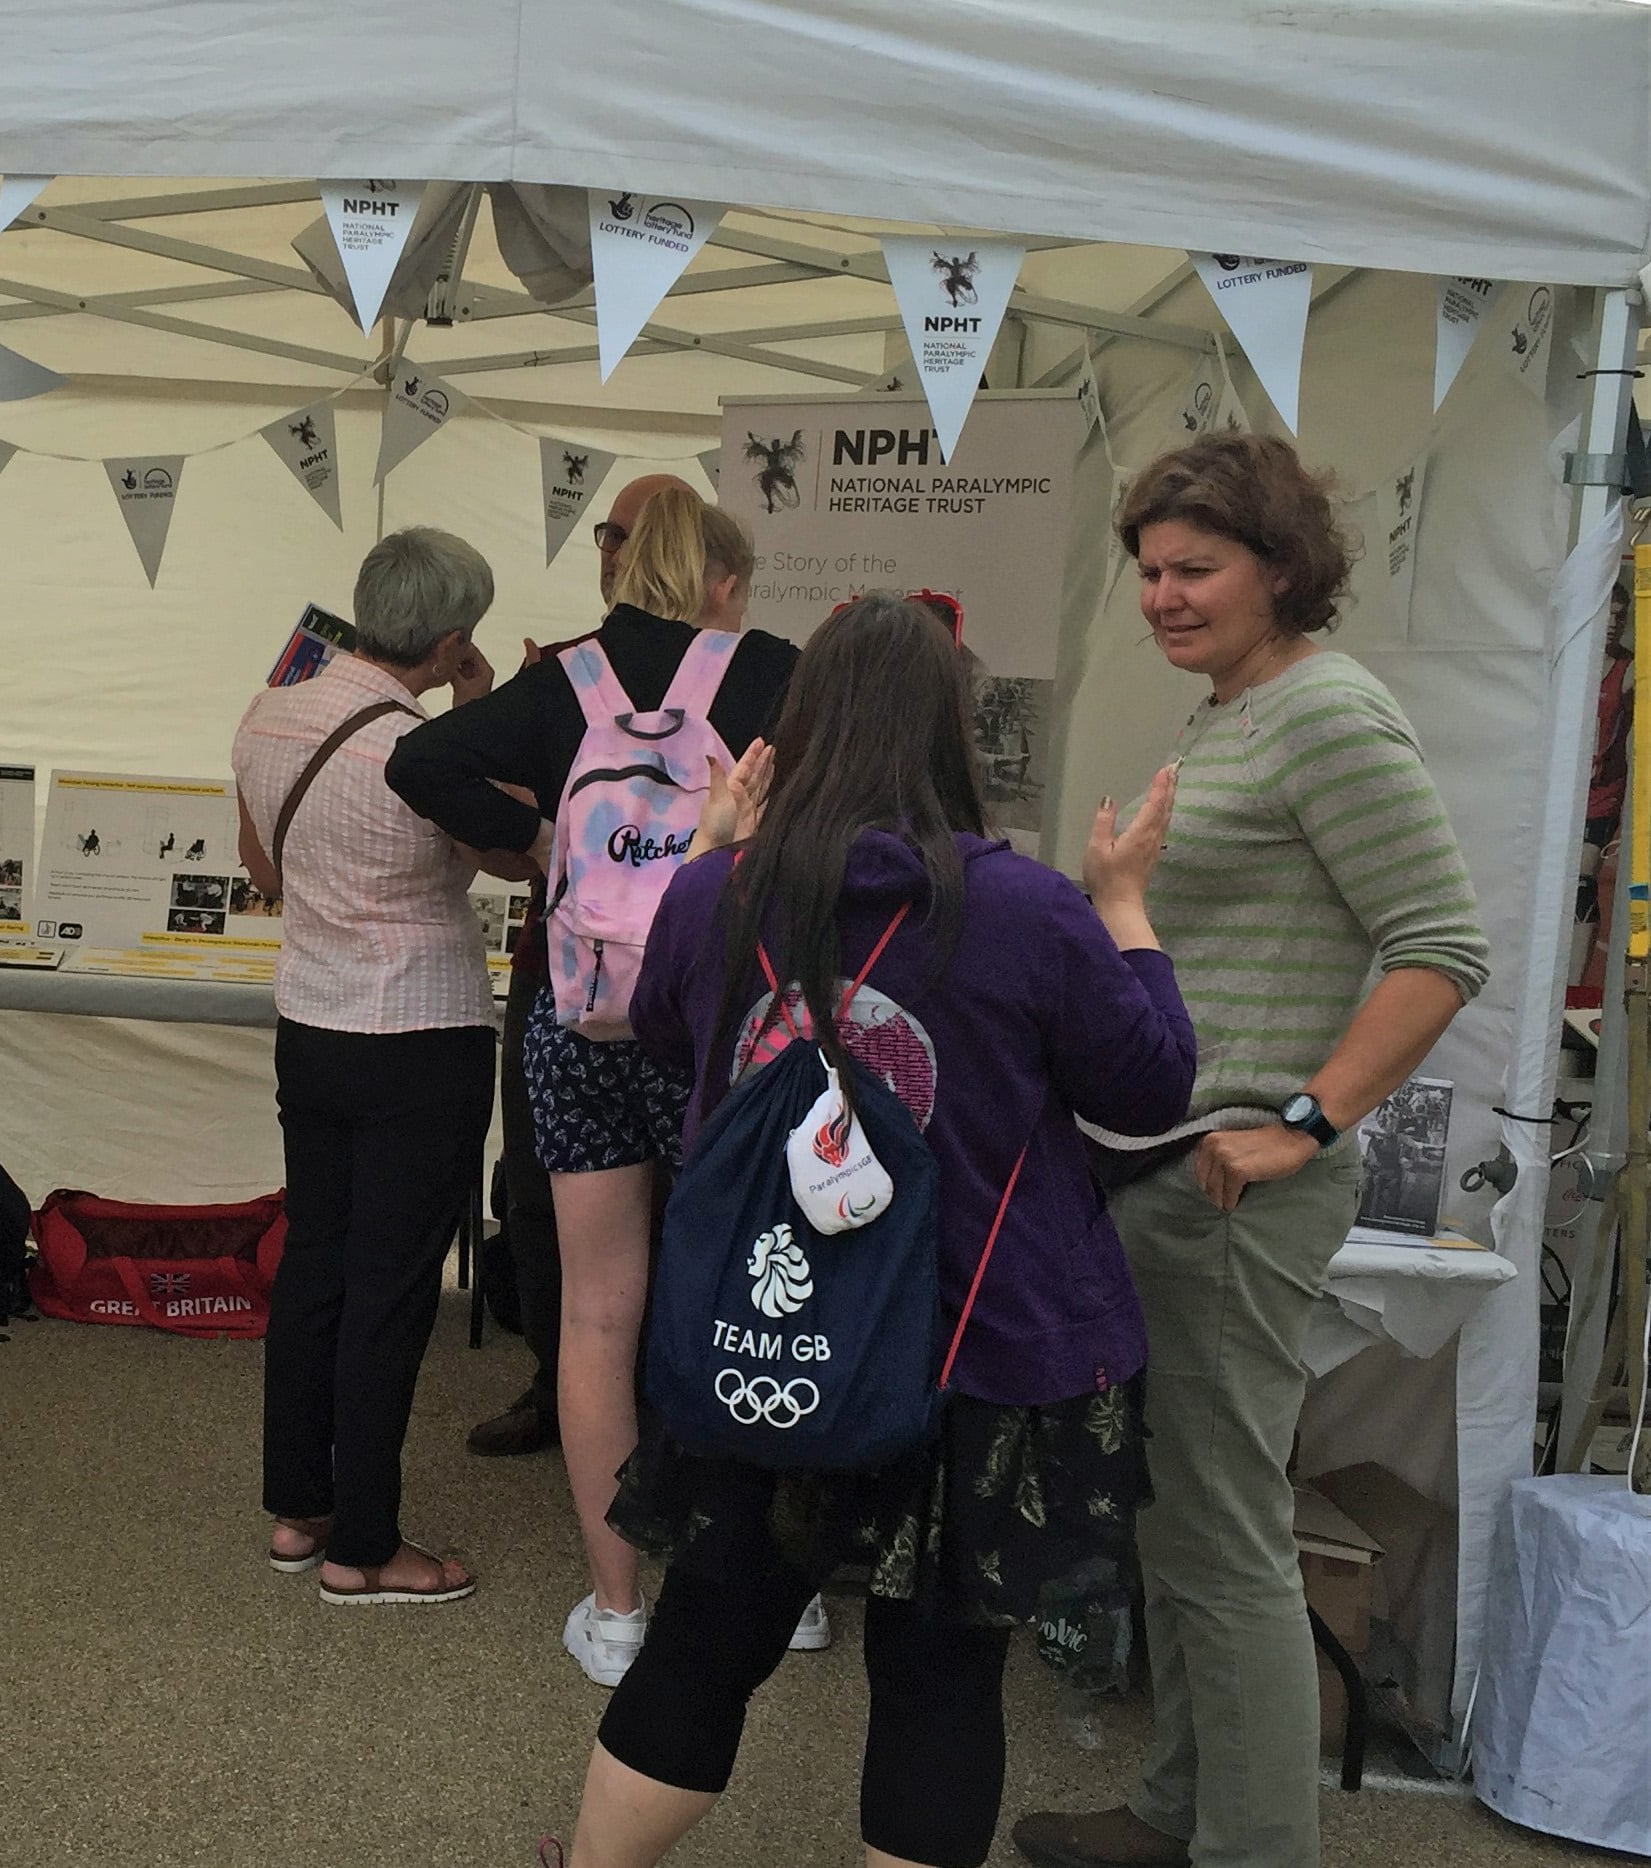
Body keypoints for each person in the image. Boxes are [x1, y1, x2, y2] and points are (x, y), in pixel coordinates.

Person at [553, 593, 1195, 1868]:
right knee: (941, 1680)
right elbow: (1148, 1085)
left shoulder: (716, 897)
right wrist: (1126, 903)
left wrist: (717, 844)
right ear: (955, 734)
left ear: (793, 732)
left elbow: (681, 1044)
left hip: (774, 1330)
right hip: (974, 1344)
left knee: (703, 1643)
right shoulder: (1028, 911)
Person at [1014, 433, 1489, 1868]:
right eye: (1147, 569)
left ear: (1278, 568)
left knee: (1219, 1542)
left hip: (1229, 1186)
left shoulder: (1327, 713)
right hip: (1162, 1174)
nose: (1160, 594)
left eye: (1194, 568)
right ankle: (1175, 1810)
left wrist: (1303, 1121)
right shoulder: (1231, 709)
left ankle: (1251, 1848)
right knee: (1175, 1523)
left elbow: (1439, 947)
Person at [388, 486, 796, 1682]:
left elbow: (422, 757)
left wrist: (542, 850)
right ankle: (763, 1584)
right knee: (745, 1298)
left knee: (597, 1312)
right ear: (720, 571)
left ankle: (615, 1607)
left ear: (622, 564)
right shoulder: (772, 671)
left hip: (584, 1021)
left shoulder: (565, 678)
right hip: (723, 1024)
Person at [230, 526, 519, 1605]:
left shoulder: (273, 710)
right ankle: (367, 1544)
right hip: (420, 1028)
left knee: (316, 1265)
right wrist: (481, 716)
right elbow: (506, 847)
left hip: (311, 1017)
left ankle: (300, 1511)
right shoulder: (426, 743)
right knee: (391, 1290)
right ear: (451, 643)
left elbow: (262, 865)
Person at [467, 472, 702, 1463]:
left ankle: (676, 1394)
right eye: (607, 532)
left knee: (692, 1192)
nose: (616, 550)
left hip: (694, 983)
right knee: (537, 1185)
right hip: (559, 971)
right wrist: (544, 837)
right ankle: (555, 1381)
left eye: (636, 535)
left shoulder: (736, 675)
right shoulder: (560, 673)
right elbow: (490, 830)